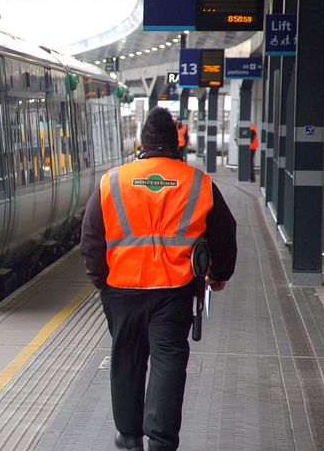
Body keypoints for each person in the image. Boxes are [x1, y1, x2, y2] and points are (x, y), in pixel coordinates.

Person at [81, 107, 237, 451]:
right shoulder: (198, 182)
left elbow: (91, 237)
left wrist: (101, 281)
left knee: (126, 359)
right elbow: (225, 232)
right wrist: (219, 274)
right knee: (168, 361)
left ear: (142, 142)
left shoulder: (113, 181)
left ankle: (129, 437)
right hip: (174, 292)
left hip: (121, 291)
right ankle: (162, 442)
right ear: (176, 141)